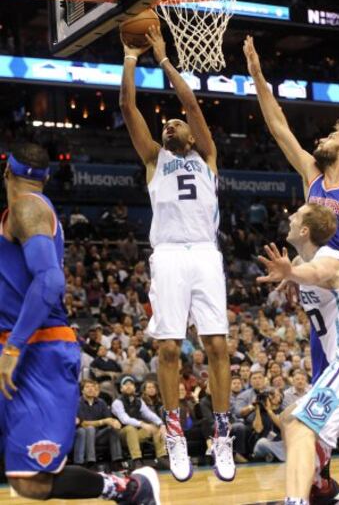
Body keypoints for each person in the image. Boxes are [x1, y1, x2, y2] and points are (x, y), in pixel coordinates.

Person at [0, 142, 160, 504]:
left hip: (37, 352)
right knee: (23, 479)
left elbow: (51, 282)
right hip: (19, 346)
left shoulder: (28, 208)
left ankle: (130, 489)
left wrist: (13, 347)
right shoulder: (20, 213)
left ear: (7, 172)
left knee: (32, 482)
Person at [244, 34, 339, 501]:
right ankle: (317, 485)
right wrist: (256, 72)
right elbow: (278, 128)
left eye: (331, 136)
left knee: (328, 398)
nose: (321, 139)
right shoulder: (313, 181)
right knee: (317, 400)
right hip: (322, 305)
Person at [119, 26, 235, 483]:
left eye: (176, 122)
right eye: (165, 123)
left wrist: (165, 60)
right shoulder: (154, 159)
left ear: (190, 131)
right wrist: (131, 57)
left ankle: (222, 434)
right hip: (167, 254)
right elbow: (129, 107)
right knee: (168, 349)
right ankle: (173, 431)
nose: (170, 123)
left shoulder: (207, 154)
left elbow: (189, 104)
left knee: (218, 346)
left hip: (206, 253)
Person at [257, 202, 339, 504]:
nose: (289, 216)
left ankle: (298, 499)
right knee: (291, 418)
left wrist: (293, 271)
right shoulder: (307, 257)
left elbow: (320, 271)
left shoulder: (329, 260)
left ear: (304, 230)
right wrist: (293, 273)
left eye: (296, 215)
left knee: (302, 425)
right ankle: (321, 488)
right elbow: (308, 268)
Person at [112, 376, 168, 470]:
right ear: (121, 389)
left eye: (131, 384)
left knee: (155, 427)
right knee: (130, 428)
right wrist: (142, 424)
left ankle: (162, 457)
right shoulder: (117, 403)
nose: (128, 386)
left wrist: (161, 424)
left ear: (134, 388)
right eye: (125, 385)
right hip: (121, 434)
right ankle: (136, 460)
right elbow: (124, 419)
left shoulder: (139, 401)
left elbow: (149, 414)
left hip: (135, 434)